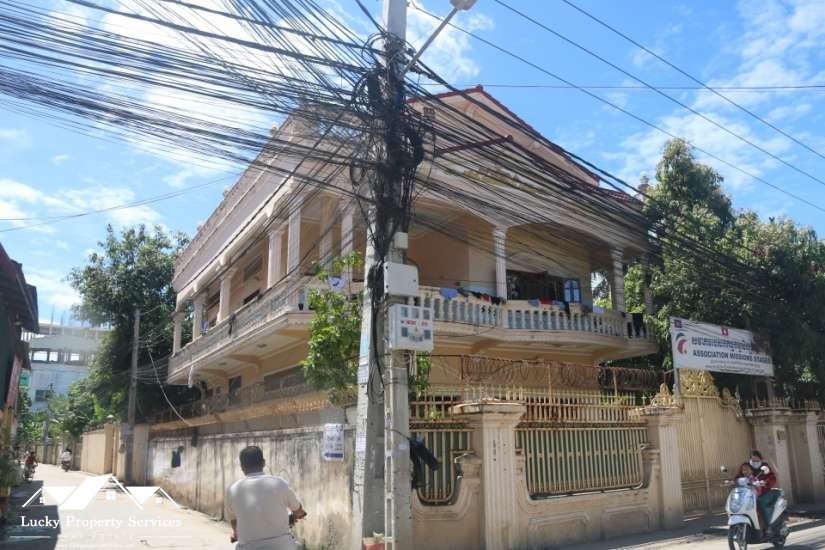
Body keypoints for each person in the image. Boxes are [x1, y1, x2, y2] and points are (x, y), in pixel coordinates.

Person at [225, 446, 306, 550]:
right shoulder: (279, 483)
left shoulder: (232, 490)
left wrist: (236, 534)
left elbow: (234, 520)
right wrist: (295, 516)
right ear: (263, 463)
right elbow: (298, 511)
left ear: (242, 467)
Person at [747, 450, 777, 535]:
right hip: (750, 494)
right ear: (750, 460)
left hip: (764, 492)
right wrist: (734, 481)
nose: (755, 462)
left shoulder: (765, 467)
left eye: (757, 460)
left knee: (761, 503)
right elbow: (740, 475)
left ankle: (768, 527)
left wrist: (765, 482)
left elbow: (772, 478)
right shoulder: (747, 467)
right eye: (753, 460)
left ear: (761, 460)